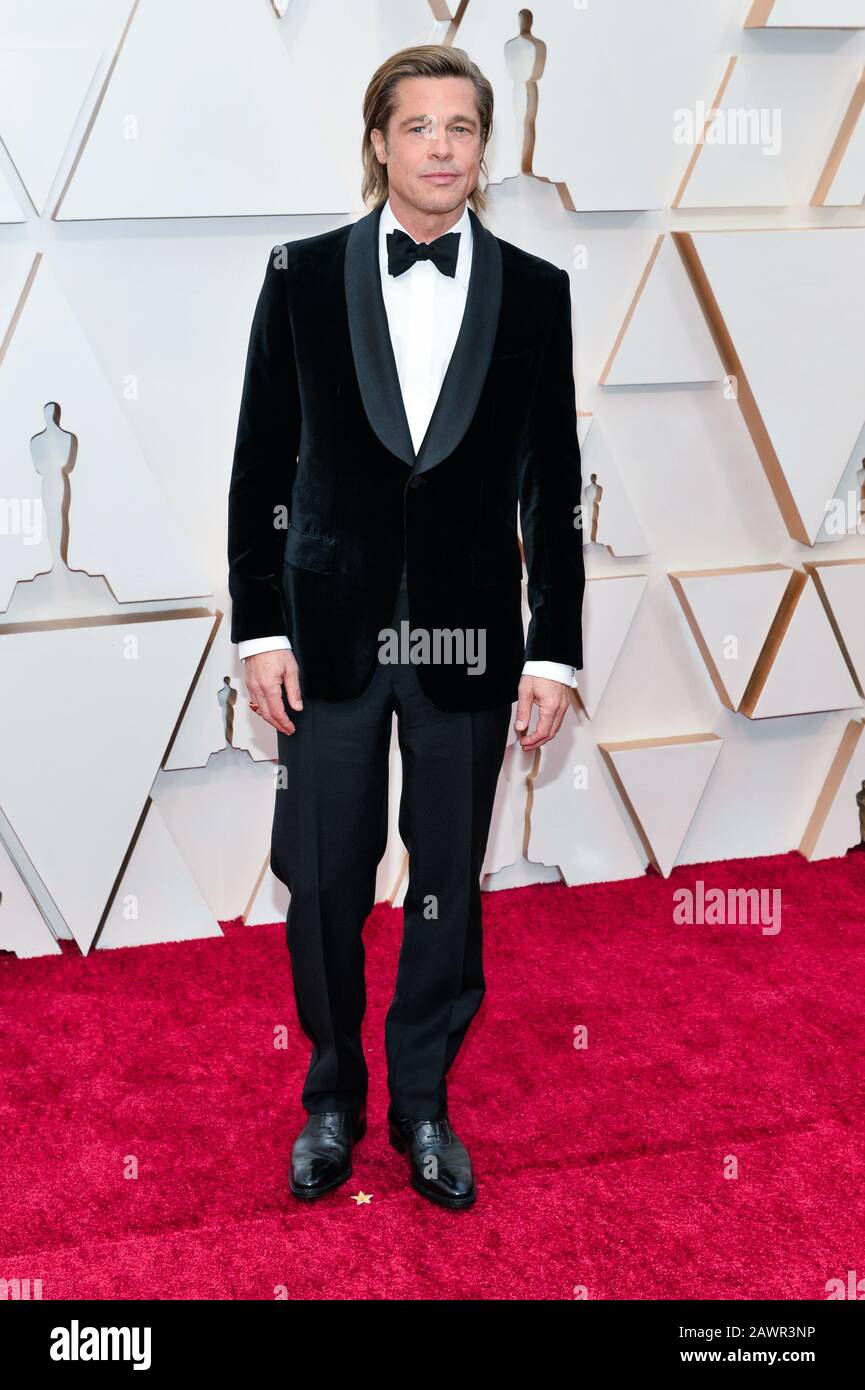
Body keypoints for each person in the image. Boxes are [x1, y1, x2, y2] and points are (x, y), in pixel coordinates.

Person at [227, 44, 584, 1210]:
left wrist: (552, 647)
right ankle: (331, 1096)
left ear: (486, 146)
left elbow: (551, 482)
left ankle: (422, 1103)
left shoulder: (536, 293)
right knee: (323, 878)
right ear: (378, 141)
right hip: (325, 633)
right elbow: (258, 467)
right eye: (418, 125)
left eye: (463, 127)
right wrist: (259, 629)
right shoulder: (299, 274)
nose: (442, 147)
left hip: (469, 639)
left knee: (447, 880)